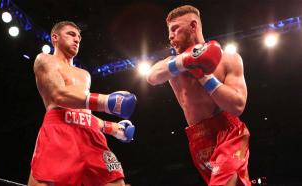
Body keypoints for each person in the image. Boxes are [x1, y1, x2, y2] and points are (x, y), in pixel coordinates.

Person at [147, 5, 251, 186]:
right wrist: (186, 61)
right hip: (197, 138)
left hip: (229, 132)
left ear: (193, 26)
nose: (170, 36)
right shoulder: (172, 65)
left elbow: (238, 106)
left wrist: (204, 75)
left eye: (175, 29)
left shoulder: (228, 58)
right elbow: (152, 77)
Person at [28, 21, 137, 186]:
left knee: (116, 182)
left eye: (79, 37)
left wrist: (114, 128)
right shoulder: (45, 60)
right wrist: (106, 101)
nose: (77, 39)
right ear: (55, 38)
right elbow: (59, 95)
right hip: (59, 131)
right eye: (71, 34)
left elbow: (84, 115)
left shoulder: (85, 74)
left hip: (91, 135)